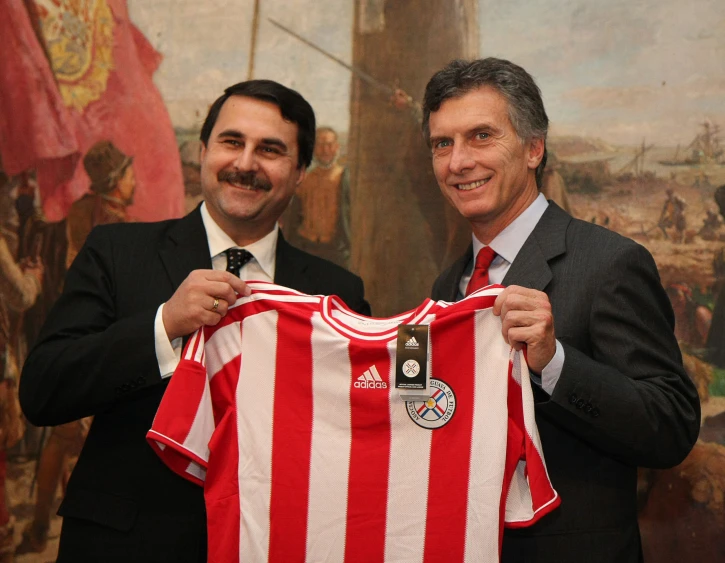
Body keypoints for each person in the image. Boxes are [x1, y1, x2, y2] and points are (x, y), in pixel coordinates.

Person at [19, 79, 370, 563]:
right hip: (124, 548)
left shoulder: (339, 292)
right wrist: (163, 326)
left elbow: (356, 439)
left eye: (270, 150)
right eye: (232, 142)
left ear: (300, 171)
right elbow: (43, 390)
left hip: (277, 546)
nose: (246, 164)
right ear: (203, 151)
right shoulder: (116, 253)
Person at [423, 58, 700, 563]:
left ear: (534, 148)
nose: (458, 161)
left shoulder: (610, 262)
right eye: (443, 143)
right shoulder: (448, 285)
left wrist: (554, 363)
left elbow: (671, 426)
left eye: (481, 136)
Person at [17, 141, 136, 555]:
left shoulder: (84, 212)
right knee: (81, 440)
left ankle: (38, 525)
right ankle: (48, 528)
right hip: (96, 344)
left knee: (64, 438)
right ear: (117, 182)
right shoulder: (110, 223)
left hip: (78, 336)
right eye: (129, 173)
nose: (134, 180)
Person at [283, 126, 351, 267]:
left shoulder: (345, 178)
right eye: (320, 145)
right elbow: (293, 217)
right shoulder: (305, 180)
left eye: (329, 145)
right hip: (307, 248)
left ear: (337, 147)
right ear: (313, 149)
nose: (325, 150)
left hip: (335, 250)